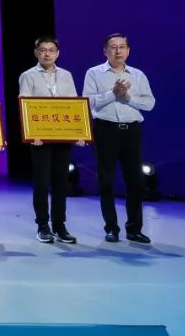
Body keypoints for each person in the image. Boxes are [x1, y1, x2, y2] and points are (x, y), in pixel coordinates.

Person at [82, 33, 156, 244]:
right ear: (105, 51)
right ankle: (111, 228)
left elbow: (149, 104)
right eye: (113, 47)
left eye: (122, 47)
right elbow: (87, 102)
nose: (118, 51)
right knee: (106, 180)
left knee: (135, 181)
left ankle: (134, 229)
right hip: (105, 130)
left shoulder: (138, 75)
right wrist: (113, 94)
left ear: (128, 51)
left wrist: (127, 97)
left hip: (131, 131)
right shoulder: (94, 73)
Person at [19, 36, 82, 244]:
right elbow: (25, 105)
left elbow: (74, 105)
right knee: (42, 182)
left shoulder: (66, 75)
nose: (47, 54)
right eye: (43, 50)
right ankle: (42, 225)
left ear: (58, 53)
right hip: (40, 138)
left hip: (62, 136)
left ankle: (60, 225)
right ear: (36, 53)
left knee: (61, 183)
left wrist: (78, 133)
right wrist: (32, 133)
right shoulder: (28, 76)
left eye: (51, 50)